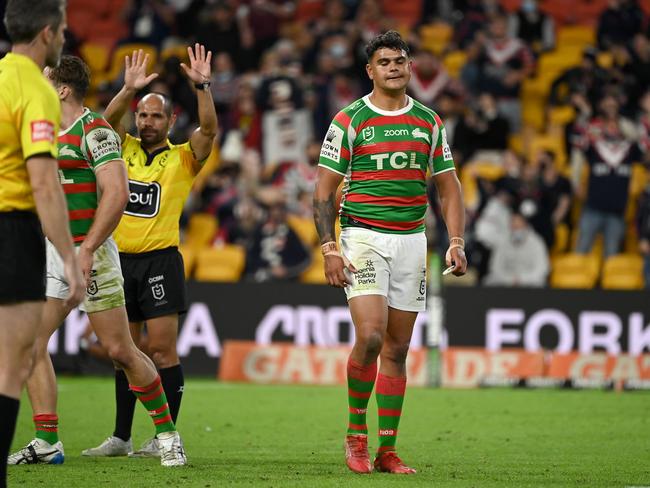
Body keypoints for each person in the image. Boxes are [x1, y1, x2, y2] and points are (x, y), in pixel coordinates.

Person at [7, 55, 187, 467]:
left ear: (63, 89)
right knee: (31, 343)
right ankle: (47, 440)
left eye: (47, 80)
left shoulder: (96, 132)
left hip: (92, 251)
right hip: (51, 251)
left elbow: (117, 194)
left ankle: (167, 434)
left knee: (121, 350)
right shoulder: (41, 129)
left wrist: (87, 249)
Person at [313, 31, 467, 475]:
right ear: (371, 71)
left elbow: (449, 187)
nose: (394, 67)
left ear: (410, 67)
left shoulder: (429, 121)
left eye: (400, 60)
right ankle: (355, 434)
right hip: (362, 236)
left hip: (411, 241)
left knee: (397, 349)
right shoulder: (349, 119)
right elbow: (323, 192)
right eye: (385, 62)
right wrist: (330, 248)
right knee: (373, 336)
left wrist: (455, 240)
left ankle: (387, 449)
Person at [82, 45, 218, 458]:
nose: (147, 121)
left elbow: (209, 132)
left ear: (171, 120)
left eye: (156, 115)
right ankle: (121, 437)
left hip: (160, 260)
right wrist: (127, 90)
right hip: (118, 261)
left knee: (160, 350)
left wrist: (203, 87)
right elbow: (98, 127)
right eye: (143, 114)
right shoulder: (120, 148)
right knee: (123, 352)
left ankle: (165, 436)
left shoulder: (182, 158)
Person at [0, 1, 84, 483]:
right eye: (65, 29)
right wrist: (70, 259)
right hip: (13, 229)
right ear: (48, 33)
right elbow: (44, 182)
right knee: (14, 366)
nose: (66, 36)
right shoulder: (38, 89)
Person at [483, 212, 549, 287]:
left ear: (526, 225)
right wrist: (510, 280)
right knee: (489, 280)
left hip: (530, 283)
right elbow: (495, 267)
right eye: (514, 226)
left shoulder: (537, 242)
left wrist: (522, 280)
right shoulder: (502, 242)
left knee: (540, 282)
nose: (516, 229)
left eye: (519, 226)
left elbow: (542, 269)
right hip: (505, 282)